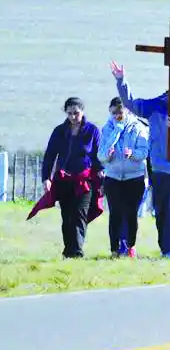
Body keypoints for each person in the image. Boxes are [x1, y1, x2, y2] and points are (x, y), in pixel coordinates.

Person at [110, 61, 170, 259]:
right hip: (159, 167)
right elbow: (130, 104)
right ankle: (165, 247)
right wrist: (121, 80)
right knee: (161, 211)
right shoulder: (155, 105)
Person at [39, 97, 103, 258]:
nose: (74, 117)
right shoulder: (59, 131)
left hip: (84, 182)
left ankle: (77, 252)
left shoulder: (93, 131)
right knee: (66, 216)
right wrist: (46, 178)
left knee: (79, 214)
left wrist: (101, 172)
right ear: (65, 113)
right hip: (63, 180)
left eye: (76, 113)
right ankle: (68, 251)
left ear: (82, 112)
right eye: (70, 113)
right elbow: (50, 156)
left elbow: (98, 155)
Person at [98, 97, 149, 258]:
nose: (117, 115)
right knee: (115, 214)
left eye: (120, 112)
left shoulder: (138, 127)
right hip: (113, 177)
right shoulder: (107, 129)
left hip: (134, 177)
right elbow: (101, 155)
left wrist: (132, 154)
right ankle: (114, 249)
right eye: (114, 113)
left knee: (131, 213)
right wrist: (114, 136)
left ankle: (130, 246)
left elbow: (144, 152)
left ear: (126, 110)